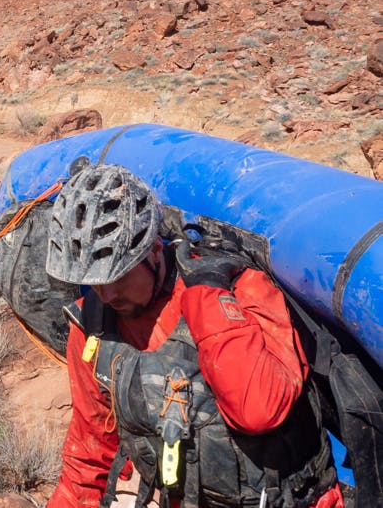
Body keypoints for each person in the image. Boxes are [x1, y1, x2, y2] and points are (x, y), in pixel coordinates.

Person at [44, 162, 343, 508]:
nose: (106, 295)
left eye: (117, 278)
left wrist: (207, 299)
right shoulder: (93, 323)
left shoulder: (239, 290)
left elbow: (258, 410)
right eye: (94, 282)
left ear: (154, 250)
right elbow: (90, 449)